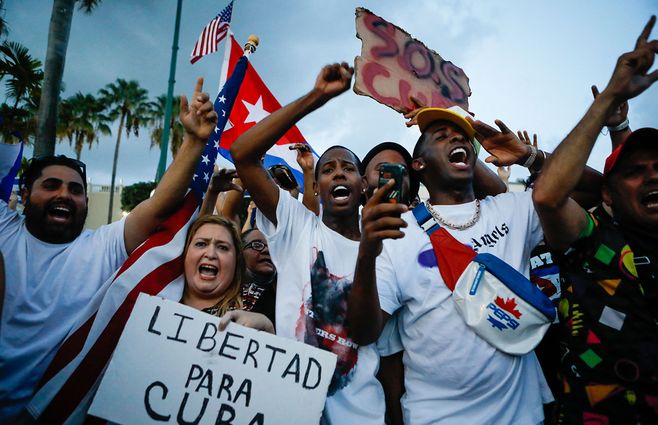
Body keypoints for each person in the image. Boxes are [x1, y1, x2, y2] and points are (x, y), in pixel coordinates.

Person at [0, 78, 218, 420]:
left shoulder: (102, 246)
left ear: (86, 201)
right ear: (24, 196)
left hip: (50, 411)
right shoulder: (4, 231)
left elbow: (160, 205)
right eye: (51, 185)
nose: (64, 195)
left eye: (75, 189)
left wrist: (193, 141)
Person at [348, 106, 554, 424]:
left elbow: (593, 191)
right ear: (419, 165)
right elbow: (363, 332)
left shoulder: (511, 209)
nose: (456, 138)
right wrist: (366, 254)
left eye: (461, 138)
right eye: (441, 137)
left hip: (523, 416)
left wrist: (531, 157)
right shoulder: (396, 233)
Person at [230, 62, 385, 424]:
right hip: (288, 412)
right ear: (317, 187)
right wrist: (316, 97)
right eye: (327, 169)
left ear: (363, 185)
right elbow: (243, 153)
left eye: (347, 167)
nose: (337, 173)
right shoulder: (298, 228)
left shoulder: (386, 246)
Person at [532, 16, 658, 424]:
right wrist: (607, 100)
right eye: (637, 171)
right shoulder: (596, 241)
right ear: (606, 194)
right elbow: (549, 197)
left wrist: (622, 126)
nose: (653, 175)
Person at [180, 214, 274, 333]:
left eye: (223, 247)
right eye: (201, 244)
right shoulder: (160, 294)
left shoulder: (264, 300)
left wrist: (269, 330)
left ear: (236, 261)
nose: (211, 254)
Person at [240, 228, 277, 326]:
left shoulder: (285, 301)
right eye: (257, 245)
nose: (267, 250)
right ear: (240, 251)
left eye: (272, 247)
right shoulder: (220, 290)